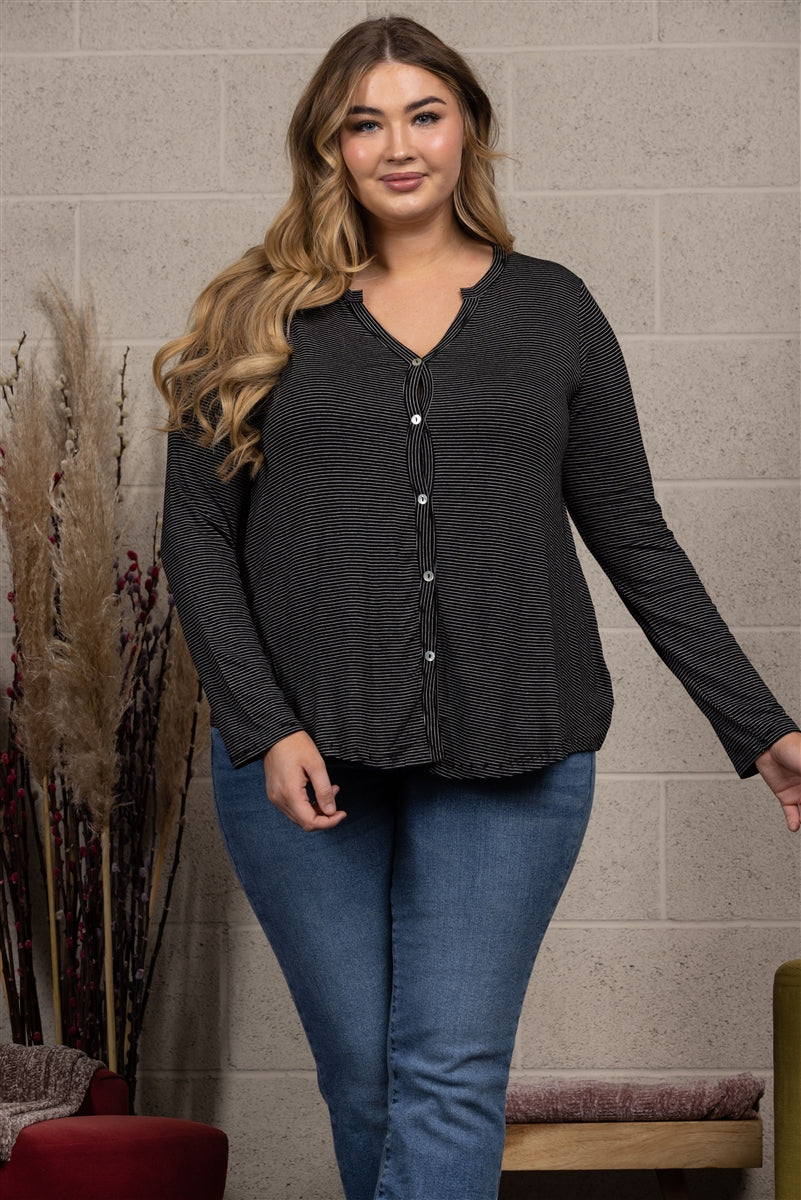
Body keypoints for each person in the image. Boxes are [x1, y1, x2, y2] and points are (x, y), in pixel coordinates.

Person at [155, 15, 801, 1200]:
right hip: (299, 760)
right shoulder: (251, 314)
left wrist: (763, 728)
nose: (399, 146)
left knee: (448, 1075)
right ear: (329, 147)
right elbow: (196, 539)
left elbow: (634, 534)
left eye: (424, 114)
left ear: (469, 130)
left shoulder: (553, 311)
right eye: (365, 123)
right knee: (366, 1083)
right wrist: (266, 725)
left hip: (515, 750)